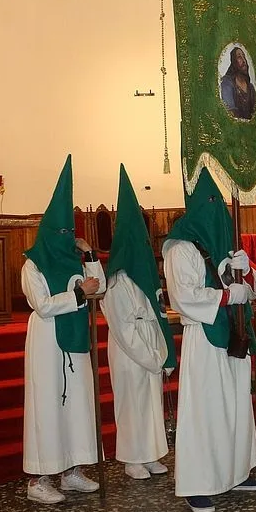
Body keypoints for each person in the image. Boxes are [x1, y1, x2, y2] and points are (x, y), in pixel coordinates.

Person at [162, 168, 256, 512]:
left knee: (236, 407)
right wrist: (226, 296)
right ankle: (197, 483)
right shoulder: (180, 249)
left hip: (234, 335)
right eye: (210, 204)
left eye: (218, 204)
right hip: (205, 338)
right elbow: (183, 298)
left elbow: (252, 290)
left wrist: (247, 271)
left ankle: (236, 472)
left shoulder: (225, 243)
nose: (216, 212)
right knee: (205, 410)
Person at [21, 155, 106, 504]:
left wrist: (89, 255)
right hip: (47, 342)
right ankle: (39, 479)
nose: (66, 238)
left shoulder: (74, 260)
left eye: (70, 233)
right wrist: (78, 294)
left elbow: (99, 287)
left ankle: (72, 471)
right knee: (48, 404)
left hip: (75, 341)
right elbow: (42, 305)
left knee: (76, 404)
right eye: (61, 232)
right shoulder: (33, 265)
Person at [100, 165, 176, 481]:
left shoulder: (143, 281)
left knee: (151, 403)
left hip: (150, 351)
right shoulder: (118, 284)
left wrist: (161, 354)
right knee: (133, 403)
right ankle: (132, 458)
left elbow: (157, 317)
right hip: (132, 355)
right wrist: (151, 357)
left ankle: (151, 454)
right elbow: (125, 330)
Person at [219, 46, 256, 120]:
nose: (244, 61)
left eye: (244, 57)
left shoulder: (251, 88)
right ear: (234, 61)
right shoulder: (227, 82)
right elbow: (230, 112)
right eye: (239, 57)